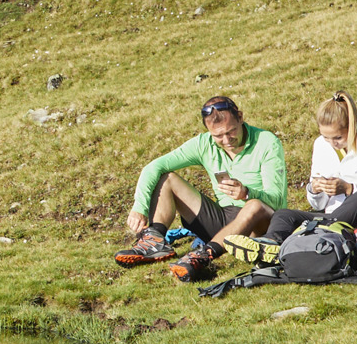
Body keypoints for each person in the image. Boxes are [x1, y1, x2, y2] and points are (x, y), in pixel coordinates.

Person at [122, 96, 286, 262]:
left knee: (254, 205)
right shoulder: (204, 144)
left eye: (231, 131)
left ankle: (206, 254)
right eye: (218, 135)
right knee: (167, 178)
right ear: (209, 131)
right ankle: (154, 241)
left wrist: (247, 193)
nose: (227, 140)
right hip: (223, 218)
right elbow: (153, 167)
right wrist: (139, 208)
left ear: (241, 117)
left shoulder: (267, 142)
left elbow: (278, 202)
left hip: (259, 224)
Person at [266, 92, 357, 238]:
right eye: (326, 137)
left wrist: (350, 189)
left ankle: (317, 236)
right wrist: (315, 190)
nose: (332, 143)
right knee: (283, 216)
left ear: (353, 127)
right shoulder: (320, 145)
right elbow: (318, 206)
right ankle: (270, 245)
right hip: (332, 218)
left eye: (338, 137)